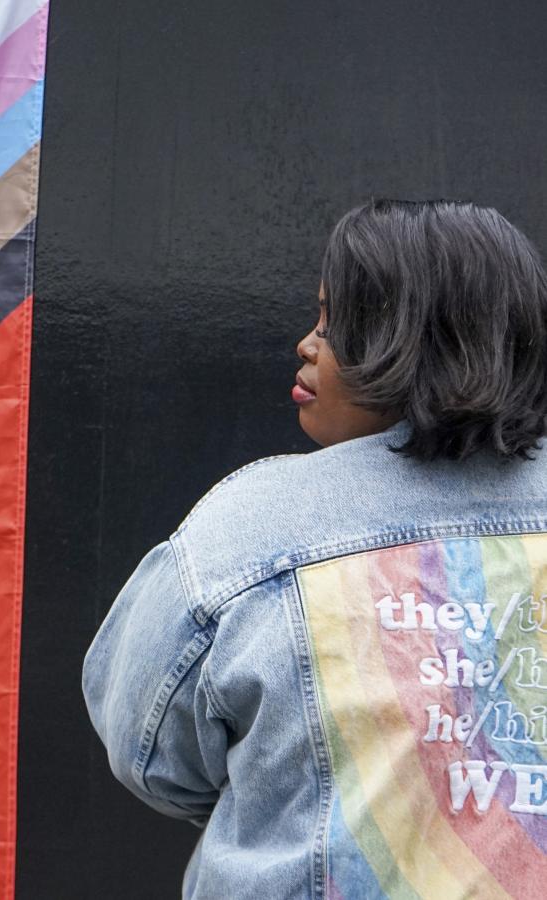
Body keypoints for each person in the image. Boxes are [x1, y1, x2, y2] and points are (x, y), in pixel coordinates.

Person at [82, 199, 547, 898]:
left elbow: (150, 751)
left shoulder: (250, 528)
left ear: (413, 339)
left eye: (335, 324)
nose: (307, 344)